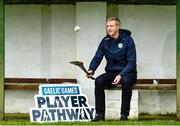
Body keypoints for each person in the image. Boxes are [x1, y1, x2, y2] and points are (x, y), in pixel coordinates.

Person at [86, 17, 137, 121]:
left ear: (118, 27)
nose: (109, 28)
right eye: (107, 26)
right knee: (99, 81)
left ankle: (124, 115)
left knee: (126, 81)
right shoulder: (105, 41)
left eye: (111, 26)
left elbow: (132, 62)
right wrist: (91, 69)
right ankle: (99, 115)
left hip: (128, 72)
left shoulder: (128, 40)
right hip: (112, 72)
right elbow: (98, 57)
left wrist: (121, 75)